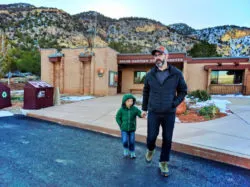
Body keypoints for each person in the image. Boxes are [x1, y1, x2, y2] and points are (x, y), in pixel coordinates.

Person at [141, 46, 187, 176]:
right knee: (151, 137)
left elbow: (183, 91)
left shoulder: (176, 73)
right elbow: (146, 91)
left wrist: (174, 104)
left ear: (167, 56)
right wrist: (144, 108)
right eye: (155, 55)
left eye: (160, 55)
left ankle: (163, 162)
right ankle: (150, 149)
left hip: (169, 113)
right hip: (154, 112)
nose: (157, 57)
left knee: (167, 139)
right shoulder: (150, 74)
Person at [116, 94, 146, 158]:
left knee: (132, 142)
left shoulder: (134, 109)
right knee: (125, 141)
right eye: (128, 101)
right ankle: (126, 149)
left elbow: (139, 113)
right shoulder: (121, 110)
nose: (130, 102)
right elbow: (117, 117)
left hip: (132, 129)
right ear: (125, 102)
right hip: (124, 129)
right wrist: (120, 124)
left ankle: (132, 152)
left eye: (132, 101)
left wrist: (142, 114)